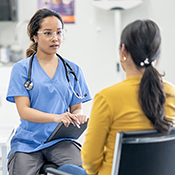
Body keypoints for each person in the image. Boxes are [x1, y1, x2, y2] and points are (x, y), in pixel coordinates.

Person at [81, 19, 175, 175]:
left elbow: (90, 162)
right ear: (156, 54)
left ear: (123, 51)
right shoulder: (171, 93)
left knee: (65, 168)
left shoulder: (107, 98)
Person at [6, 8, 91, 175]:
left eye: (59, 32)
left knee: (81, 171)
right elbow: (24, 111)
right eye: (48, 33)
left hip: (61, 141)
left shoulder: (73, 70)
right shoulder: (21, 69)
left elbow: (76, 107)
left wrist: (79, 115)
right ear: (35, 37)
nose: (55, 38)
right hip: (28, 143)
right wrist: (56, 117)